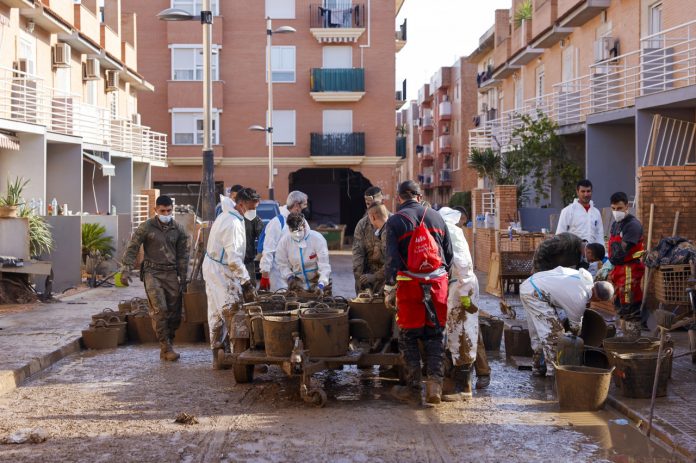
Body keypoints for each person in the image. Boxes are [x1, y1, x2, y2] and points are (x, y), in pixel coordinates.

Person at [384, 180, 453, 405]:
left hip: (408, 285)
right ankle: (435, 387)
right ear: (419, 197)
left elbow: (392, 260)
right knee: (434, 335)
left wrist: (389, 288)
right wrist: (443, 280)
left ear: (399, 198)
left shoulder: (395, 221)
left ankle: (413, 390)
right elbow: (448, 255)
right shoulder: (436, 217)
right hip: (437, 284)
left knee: (409, 337)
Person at [120, 195, 189, 361]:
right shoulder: (146, 227)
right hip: (152, 273)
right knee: (160, 310)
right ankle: (166, 346)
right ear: (155, 210)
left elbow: (183, 256)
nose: (166, 213)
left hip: (171, 273)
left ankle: (169, 341)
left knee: (174, 313)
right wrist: (126, 269)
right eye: (162, 211)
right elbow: (133, 247)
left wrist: (184, 278)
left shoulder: (179, 229)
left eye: (169, 211)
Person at [520, 266, 614, 377]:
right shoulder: (580, 298)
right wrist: (576, 337)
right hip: (535, 294)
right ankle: (553, 374)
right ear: (598, 299)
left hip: (530, 284)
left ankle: (538, 367)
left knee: (538, 332)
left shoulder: (585, 278)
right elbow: (575, 327)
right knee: (554, 335)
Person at [202, 188, 260, 368]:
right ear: (241, 204)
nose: (254, 211)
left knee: (215, 312)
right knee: (233, 311)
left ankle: (218, 356)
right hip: (222, 270)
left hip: (213, 266)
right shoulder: (233, 223)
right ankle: (241, 359)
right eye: (252, 207)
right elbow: (234, 259)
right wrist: (246, 281)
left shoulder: (226, 215)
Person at [438, 207, 480, 401]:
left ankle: (462, 387)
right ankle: (462, 385)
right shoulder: (449, 230)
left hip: (463, 286)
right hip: (458, 286)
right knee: (457, 333)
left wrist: (464, 294)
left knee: (463, 335)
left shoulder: (451, 231)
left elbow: (464, 265)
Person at [608, 191, 646, 328]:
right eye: (613, 208)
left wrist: (609, 262)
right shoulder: (615, 225)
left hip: (630, 270)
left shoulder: (632, 225)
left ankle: (633, 337)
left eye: (619, 208)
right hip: (618, 270)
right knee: (619, 303)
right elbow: (613, 248)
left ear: (627, 206)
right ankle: (623, 334)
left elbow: (622, 250)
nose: (616, 211)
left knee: (629, 302)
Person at [259, 191, 309, 291]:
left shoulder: (304, 222)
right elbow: (269, 250)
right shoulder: (277, 222)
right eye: (304, 205)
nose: (305, 208)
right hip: (279, 274)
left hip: (298, 272)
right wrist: (265, 274)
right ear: (296, 205)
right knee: (280, 302)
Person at [275, 212, 331, 296]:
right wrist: (289, 278)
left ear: (304, 226)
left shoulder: (317, 239)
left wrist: (321, 284)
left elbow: (324, 265)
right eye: (293, 231)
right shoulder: (284, 241)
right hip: (297, 284)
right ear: (289, 228)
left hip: (317, 282)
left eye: (299, 230)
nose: (296, 234)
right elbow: (281, 263)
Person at [352, 186, 385, 293]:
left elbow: (393, 260)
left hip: (387, 278)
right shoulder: (362, 225)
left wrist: (378, 276)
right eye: (367, 204)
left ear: (382, 201)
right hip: (367, 277)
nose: (370, 208)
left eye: (374, 204)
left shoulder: (393, 223)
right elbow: (358, 254)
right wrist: (360, 279)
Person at [556, 179, 604, 245]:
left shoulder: (596, 212)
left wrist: (601, 253)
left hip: (592, 254)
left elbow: (600, 236)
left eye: (588, 191)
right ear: (577, 192)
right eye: (583, 191)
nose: (586, 194)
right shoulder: (567, 211)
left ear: (591, 192)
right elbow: (560, 235)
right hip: (573, 253)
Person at [358, 202, 390, 294]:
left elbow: (391, 262)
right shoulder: (389, 229)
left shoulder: (387, 233)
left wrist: (374, 277)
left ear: (373, 217)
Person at [244, 207, 264, 286]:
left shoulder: (254, 219)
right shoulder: (230, 217)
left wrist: (261, 252)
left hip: (248, 259)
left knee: (250, 287)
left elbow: (262, 238)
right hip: (230, 261)